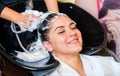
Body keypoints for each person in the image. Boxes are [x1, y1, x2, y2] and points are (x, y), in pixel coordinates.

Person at [38, 12, 120, 76]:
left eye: (73, 27)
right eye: (61, 31)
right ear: (48, 45)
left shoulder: (103, 63)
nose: (72, 32)